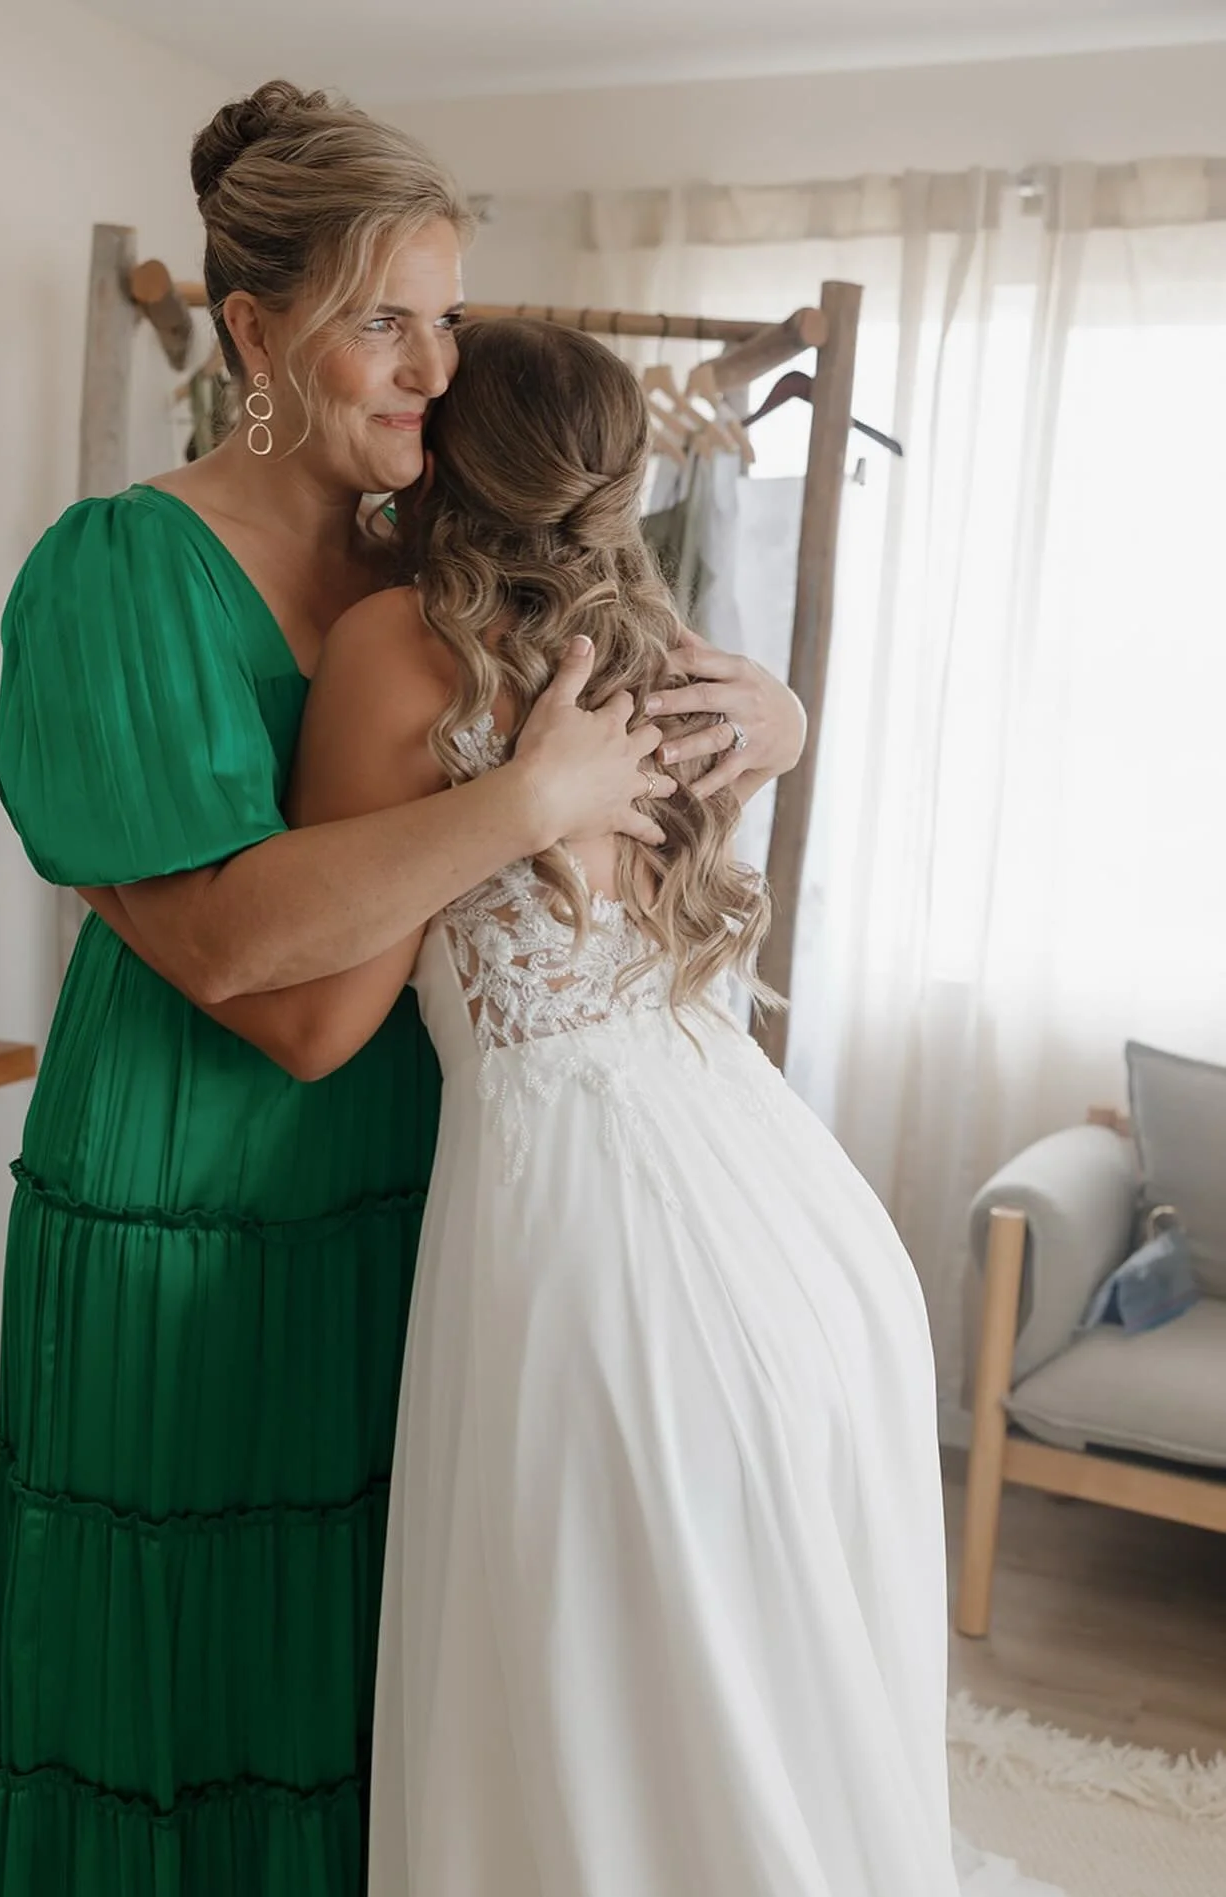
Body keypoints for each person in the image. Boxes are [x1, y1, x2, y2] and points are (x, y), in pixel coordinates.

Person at [0, 83, 804, 1896]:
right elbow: (251, 974)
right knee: (181, 1708)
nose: (437, 368)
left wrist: (777, 715)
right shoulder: (122, 571)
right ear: (255, 335)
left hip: (417, 1213)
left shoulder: (432, 556)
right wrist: (516, 800)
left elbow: (635, 736)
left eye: (448, 314)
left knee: (387, 1709)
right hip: (190, 1203)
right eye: (382, 322)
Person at [253, 317, 1062, 1897]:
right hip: (782, 1204)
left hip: (584, 1230)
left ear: (441, 456)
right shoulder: (660, 646)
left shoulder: (393, 648)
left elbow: (320, 1011)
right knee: (732, 1670)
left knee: (585, 1677)